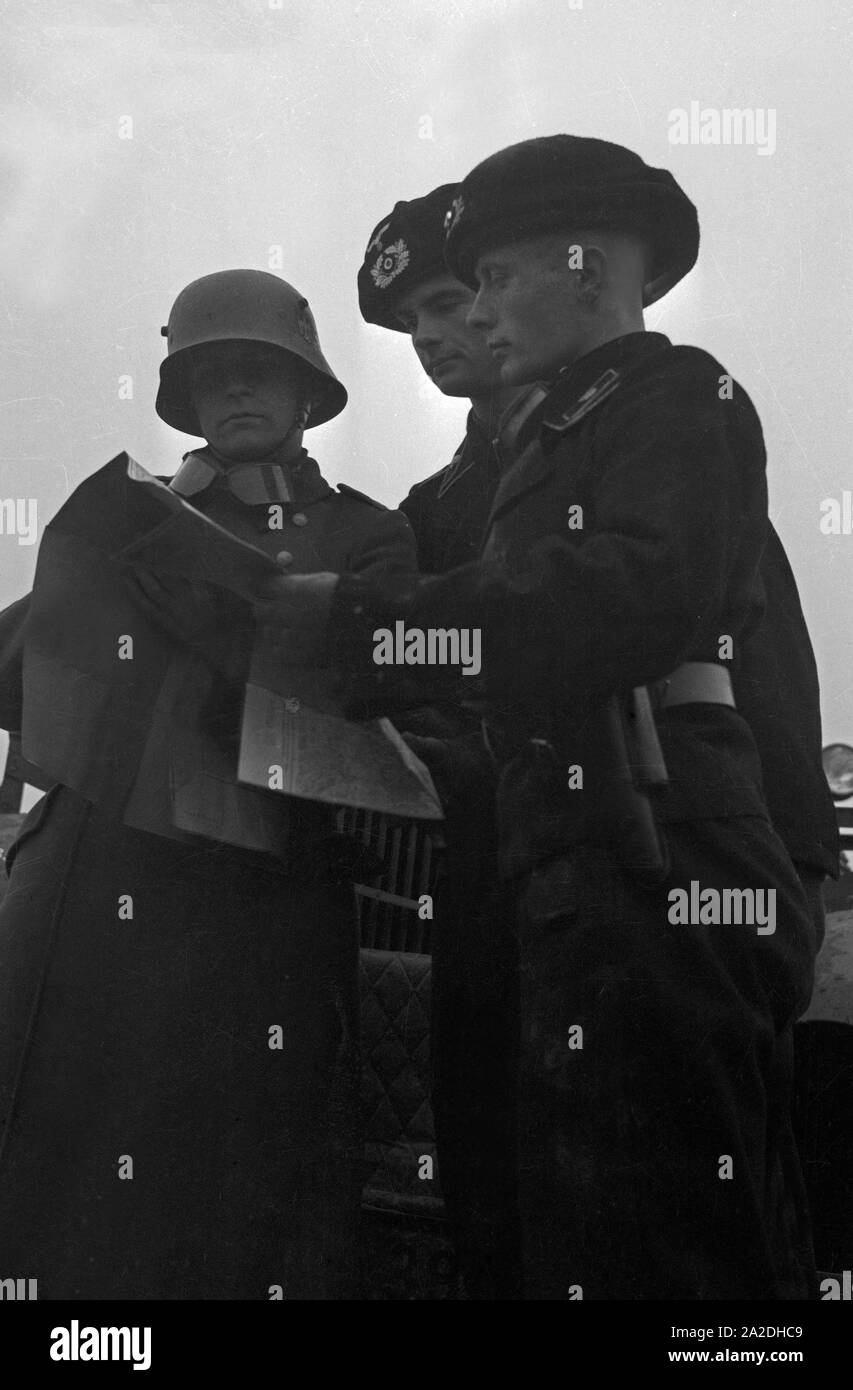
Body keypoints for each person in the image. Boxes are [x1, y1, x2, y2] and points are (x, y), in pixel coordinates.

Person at [260, 137, 820, 1300]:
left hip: (663, 843)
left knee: (675, 1233)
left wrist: (361, 628)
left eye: (480, 287)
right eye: (422, 311)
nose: (453, 325)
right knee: (557, 1215)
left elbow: (644, 604)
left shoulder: (667, 401)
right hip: (545, 865)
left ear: (585, 268)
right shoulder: (495, 478)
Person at [0, 268, 415, 1300]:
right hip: (95, 870)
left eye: (260, 374)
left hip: (262, 877)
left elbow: (396, 703)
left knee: (250, 1152)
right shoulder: (126, 522)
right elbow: (26, 668)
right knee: (65, 1139)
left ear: (308, 393)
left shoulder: (372, 537)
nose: (237, 393)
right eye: (215, 376)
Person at [359, 188, 545, 1296]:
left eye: (443, 300)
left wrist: (798, 859)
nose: (430, 335)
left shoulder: (638, 434)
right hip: (485, 885)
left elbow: (748, 645)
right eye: (409, 324)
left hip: (662, 875)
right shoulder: (428, 512)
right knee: (491, 1188)